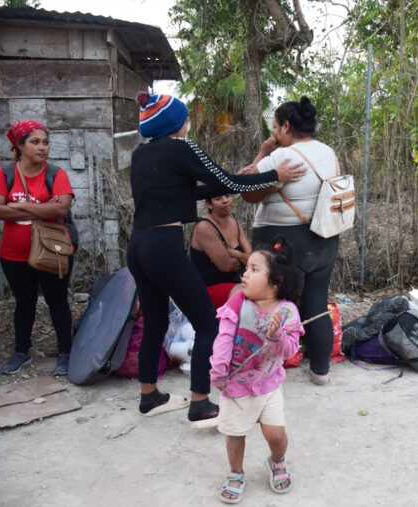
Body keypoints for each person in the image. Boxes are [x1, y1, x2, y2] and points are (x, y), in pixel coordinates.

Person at [128, 92, 305, 423]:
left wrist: (234, 182)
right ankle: (199, 401)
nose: (187, 123)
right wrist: (273, 176)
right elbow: (222, 180)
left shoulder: (142, 154)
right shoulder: (182, 147)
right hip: (164, 246)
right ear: (176, 123)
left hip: (138, 246)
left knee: (155, 321)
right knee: (208, 323)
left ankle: (149, 395)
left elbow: (186, 192)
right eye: (185, 118)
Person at [241, 96, 340, 386]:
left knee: (273, 305)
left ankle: (268, 369)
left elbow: (248, 193)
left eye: (275, 128)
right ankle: (320, 371)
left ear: (286, 126)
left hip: (284, 242)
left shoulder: (281, 159)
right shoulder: (328, 152)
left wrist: (263, 155)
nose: (274, 135)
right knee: (316, 305)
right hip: (323, 238)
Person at [209, 236, 303, 503]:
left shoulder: (287, 312)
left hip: (269, 383)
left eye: (254, 269)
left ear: (276, 281)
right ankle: (236, 473)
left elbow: (290, 351)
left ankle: (277, 460)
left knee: (275, 434)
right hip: (235, 385)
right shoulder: (238, 302)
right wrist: (218, 370)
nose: (245, 274)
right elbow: (224, 338)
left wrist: (276, 338)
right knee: (235, 435)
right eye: (247, 268)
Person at [0, 121, 75, 376]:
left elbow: (61, 209)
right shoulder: (5, 174)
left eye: (45, 142)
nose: (42, 148)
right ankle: (21, 351)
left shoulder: (56, 174)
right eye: (35, 142)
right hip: (13, 255)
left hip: (52, 251)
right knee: (24, 303)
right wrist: (42, 206)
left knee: (57, 301)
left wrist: (15, 206)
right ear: (19, 145)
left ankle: (65, 352)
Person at [190, 193, 252, 309]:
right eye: (218, 198)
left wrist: (237, 254)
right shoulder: (204, 227)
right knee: (248, 293)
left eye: (227, 196)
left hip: (236, 283)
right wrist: (243, 258)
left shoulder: (235, 224)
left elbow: (253, 261)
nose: (225, 201)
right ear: (209, 204)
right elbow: (227, 266)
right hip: (209, 289)